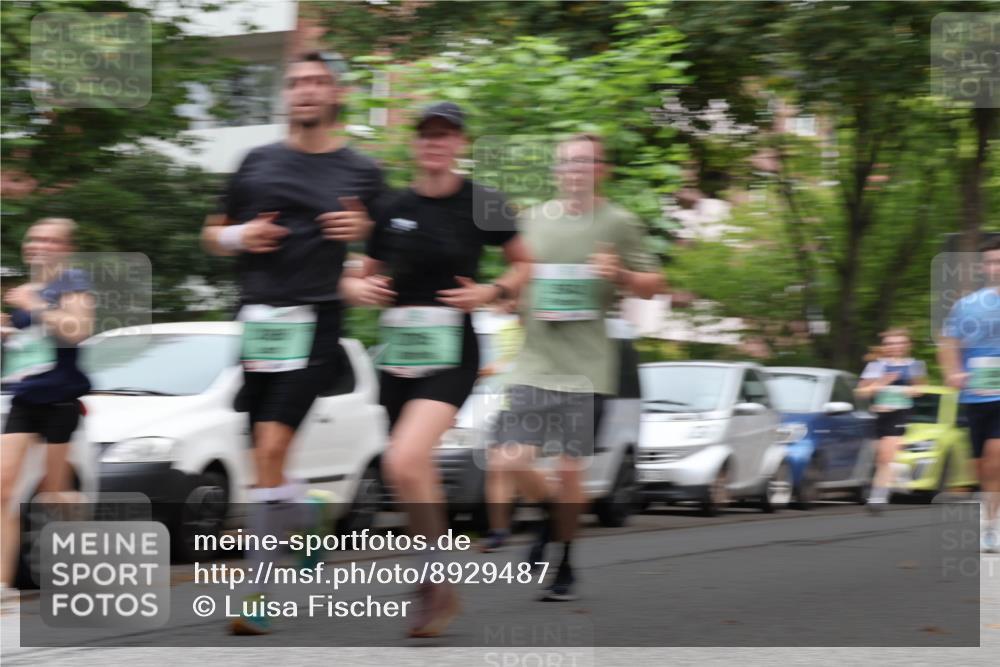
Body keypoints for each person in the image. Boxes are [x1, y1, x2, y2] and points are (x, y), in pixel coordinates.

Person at [201, 51, 384, 635]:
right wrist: (240, 234)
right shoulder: (253, 163)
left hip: (319, 321)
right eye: (296, 82)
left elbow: (384, 252)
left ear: (334, 97)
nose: (305, 90)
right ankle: (304, 511)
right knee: (264, 456)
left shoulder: (361, 172)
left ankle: (256, 594)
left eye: (317, 82)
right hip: (258, 322)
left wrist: (363, 236)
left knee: (272, 448)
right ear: (288, 95)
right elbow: (210, 235)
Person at [341, 102, 528, 638]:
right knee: (407, 471)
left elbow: (525, 265)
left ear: (460, 144)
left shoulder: (482, 202)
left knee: (404, 457)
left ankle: (432, 586)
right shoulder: (393, 207)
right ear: (416, 145)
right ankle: (439, 584)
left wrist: (490, 292)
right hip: (398, 354)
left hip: (451, 352)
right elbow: (362, 275)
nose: (435, 143)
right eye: (426, 135)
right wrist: (362, 288)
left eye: (446, 135)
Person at [491, 133, 665, 601]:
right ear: (556, 172)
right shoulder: (531, 222)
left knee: (570, 472)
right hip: (534, 362)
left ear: (602, 169)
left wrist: (622, 275)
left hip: (589, 367)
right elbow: (518, 277)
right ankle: (551, 515)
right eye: (567, 162)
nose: (575, 170)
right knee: (507, 458)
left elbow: (654, 284)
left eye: (585, 162)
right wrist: (505, 297)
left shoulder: (620, 223)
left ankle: (564, 564)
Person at [1, 218, 94, 610]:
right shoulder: (26, 289)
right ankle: (2, 585)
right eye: (36, 238)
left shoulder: (71, 282)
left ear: (66, 248)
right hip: (24, 400)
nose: (41, 245)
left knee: (54, 494)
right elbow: (28, 340)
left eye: (51, 240)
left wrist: (34, 307)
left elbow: (77, 329)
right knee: (3, 489)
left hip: (59, 401)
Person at [939, 237, 1000, 552]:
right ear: (982, 267)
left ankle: (992, 527)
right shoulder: (966, 305)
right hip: (976, 397)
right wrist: (953, 371)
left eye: (999, 261)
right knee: (982, 468)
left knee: (995, 457)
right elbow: (948, 342)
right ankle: (990, 518)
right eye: (990, 262)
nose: (995, 267)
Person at [856, 328, 927, 512]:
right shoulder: (876, 366)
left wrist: (906, 390)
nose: (895, 347)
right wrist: (881, 384)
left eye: (899, 343)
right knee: (879, 457)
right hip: (879, 414)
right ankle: (893, 476)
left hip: (899, 413)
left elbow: (920, 389)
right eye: (891, 343)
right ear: (885, 346)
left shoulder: (914, 365)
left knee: (886, 455)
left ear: (907, 346)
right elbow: (860, 392)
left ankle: (877, 497)